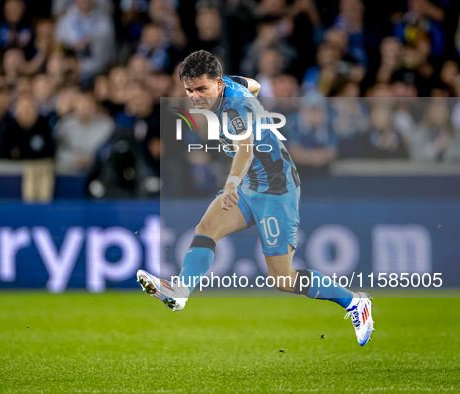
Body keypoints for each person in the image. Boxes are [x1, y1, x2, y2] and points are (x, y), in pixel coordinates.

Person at [136, 50, 375, 346]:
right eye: (189, 90)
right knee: (206, 230)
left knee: (283, 279)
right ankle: (181, 292)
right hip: (249, 184)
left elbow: (245, 149)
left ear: (218, 83)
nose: (195, 96)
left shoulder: (236, 108)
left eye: (201, 89)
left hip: (276, 188)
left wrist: (232, 183)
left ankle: (355, 303)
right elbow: (255, 86)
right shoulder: (230, 83)